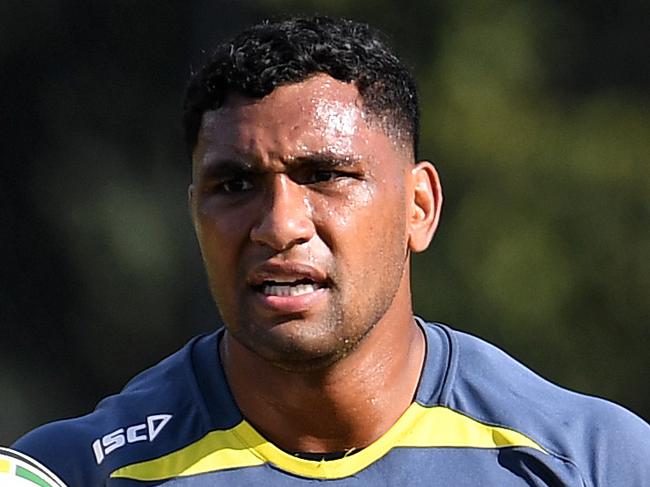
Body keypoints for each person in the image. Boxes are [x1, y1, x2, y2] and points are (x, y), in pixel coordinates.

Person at [11, 15, 650, 486]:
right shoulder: (72, 474)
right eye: (234, 185)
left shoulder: (599, 464)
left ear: (418, 208)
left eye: (325, 176)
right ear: (195, 217)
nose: (279, 224)